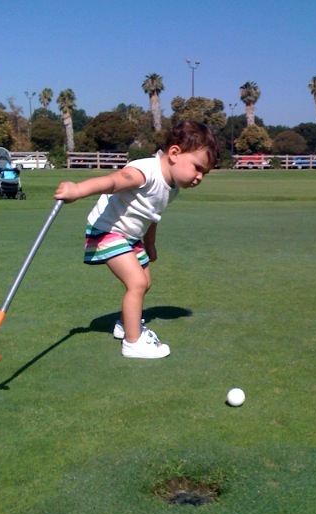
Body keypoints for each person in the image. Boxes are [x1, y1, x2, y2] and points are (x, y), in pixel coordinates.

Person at [54, 120, 221, 359]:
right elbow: (113, 182)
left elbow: (152, 215)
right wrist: (77, 190)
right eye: (197, 168)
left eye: (203, 173)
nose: (199, 177)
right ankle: (133, 343)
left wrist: (150, 243)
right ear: (175, 153)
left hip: (132, 235)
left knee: (144, 281)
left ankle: (125, 325)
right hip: (107, 230)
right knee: (137, 283)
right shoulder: (145, 171)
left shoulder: (172, 187)